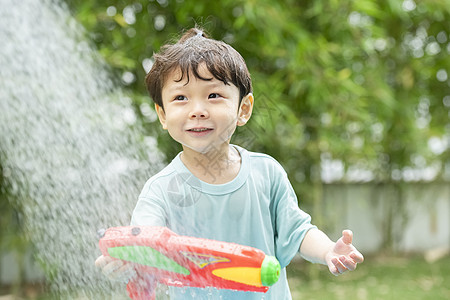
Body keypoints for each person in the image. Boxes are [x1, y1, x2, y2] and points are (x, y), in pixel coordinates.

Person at [95, 27, 364, 299]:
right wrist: (128, 260)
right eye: (180, 98)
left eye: (213, 95)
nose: (197, 110)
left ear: (243, 109)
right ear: (162, 115)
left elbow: (298, 232)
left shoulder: (266, 173)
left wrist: (329, 250)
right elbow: (147, 248)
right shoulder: (161, 191)